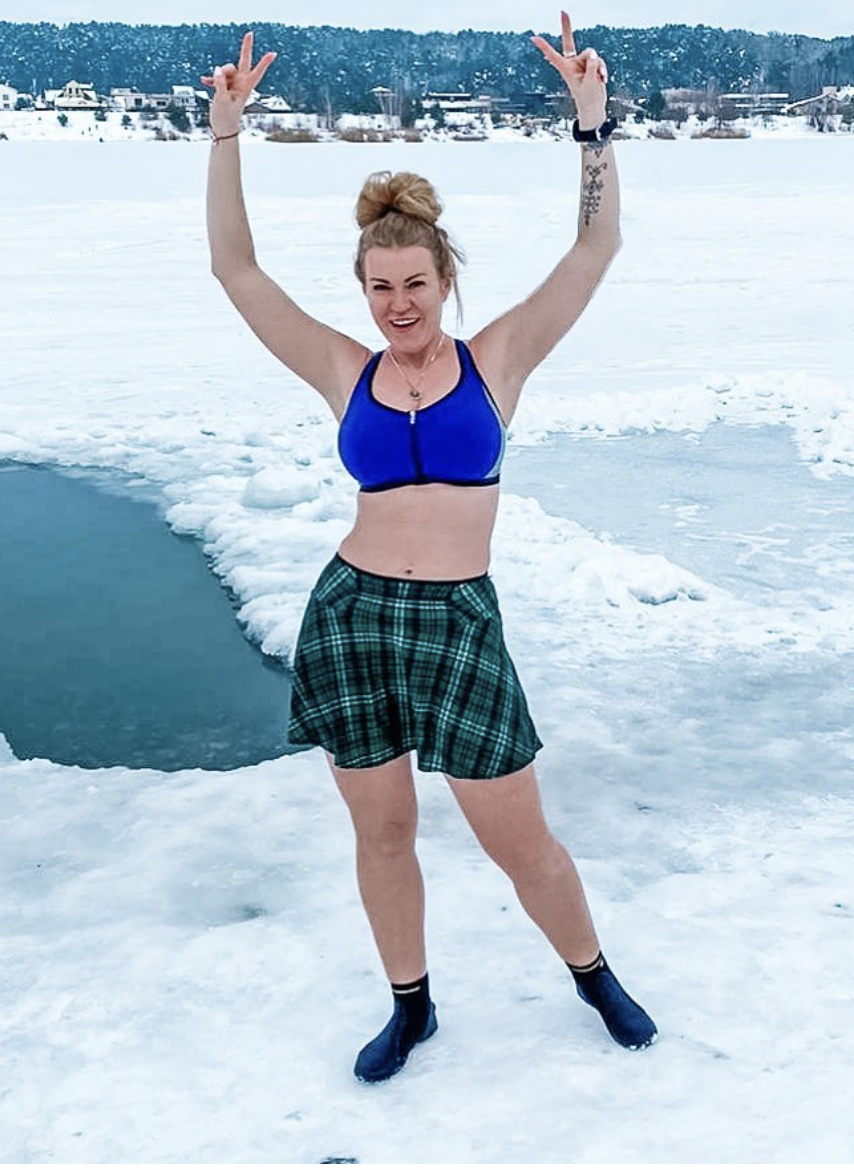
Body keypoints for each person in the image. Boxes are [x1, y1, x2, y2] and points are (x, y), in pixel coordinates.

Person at [203, 14, 656, 1084]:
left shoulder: (498, 358)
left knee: (518, 838)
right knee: (384, 834)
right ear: (364, 291)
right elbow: (237, 271)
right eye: (380, 287)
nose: (397, 304)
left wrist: (593, 130)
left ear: (442, 279)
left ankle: (592, 974)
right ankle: (411, 1006)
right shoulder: (341, 368)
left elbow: (596, 249)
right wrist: (224, 137)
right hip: (353, 615)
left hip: (457, 622)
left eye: (414, 283)